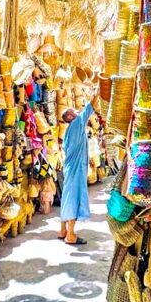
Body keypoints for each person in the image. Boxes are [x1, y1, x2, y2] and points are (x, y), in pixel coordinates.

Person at [58, 93, 96, 245]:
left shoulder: (68, 131)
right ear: (70, 116)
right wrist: (98, 88)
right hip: (75, 171)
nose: (76, 110)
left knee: (67, 197)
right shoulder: (77, 123)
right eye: (73, 110)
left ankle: (62, 230)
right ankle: (70, 235)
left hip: (69, 169)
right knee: (73, 198)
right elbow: (89, 108)